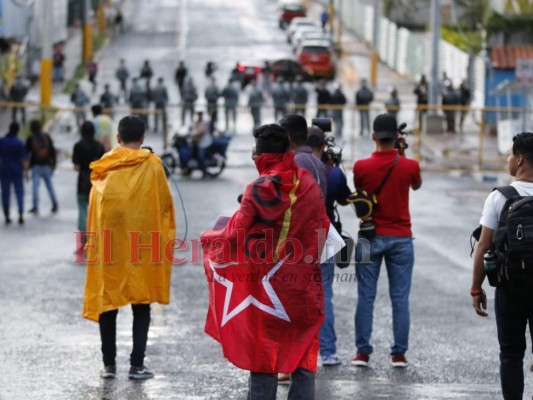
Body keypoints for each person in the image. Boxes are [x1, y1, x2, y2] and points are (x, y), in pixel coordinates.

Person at [201, 123, 330, 399]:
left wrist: (208, 238)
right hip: (304, 290)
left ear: (259, 157)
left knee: (264, 359)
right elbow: (322, 230)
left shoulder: (258, 188)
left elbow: (233, 234)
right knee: (304, 358)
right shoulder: (308, 183)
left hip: (266, 294)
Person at [82, 115, 175, 380]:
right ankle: (136, 365)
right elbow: (164, 206)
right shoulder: (154, 165)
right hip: (141, 246)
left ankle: (108, 365)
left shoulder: (105, 166)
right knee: (141, 303)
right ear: (142, 139)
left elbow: (94, 208)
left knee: (108, 301)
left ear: (118, 138)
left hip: (110, 246)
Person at [351, 114, 421, 368]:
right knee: (400, 298)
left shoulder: (360, 166)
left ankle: (362, 353)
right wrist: (400, 154)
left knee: (365, 296)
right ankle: (399, 354)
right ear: (397, 138)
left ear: (373, 137)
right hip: (401, 238)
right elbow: (417, 185)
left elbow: (360, 190)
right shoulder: (409, 165)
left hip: (370, 237)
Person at [471, 132, 533, 400]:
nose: (507, 159)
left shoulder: (500, 197)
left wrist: (476, 288)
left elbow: (484, 247)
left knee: (511, 354)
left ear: (519, 160)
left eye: (509, 154)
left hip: (511, 287)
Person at [307, 126, 352, 367]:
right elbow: (346, 200)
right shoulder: (332, 173)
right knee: (325, 295)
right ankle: (328, 351)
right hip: (325, 235)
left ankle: (302, 351)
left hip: (299, 240)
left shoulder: (299, 168)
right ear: (324, 147)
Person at [72, 121, 104, 256]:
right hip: (96, 183)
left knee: (82, 212)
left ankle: (83, 242)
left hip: (82, 183)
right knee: (96, 212)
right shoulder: (99, 146)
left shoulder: (78, 146)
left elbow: (76, 166)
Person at [25, 120, 59, 215]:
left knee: (35, 187)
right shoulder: (46, 137)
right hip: (47, 165)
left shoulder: (31, 138)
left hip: (36, 166)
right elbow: (52, 150)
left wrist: (26, 167)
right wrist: (54, 163)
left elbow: (26, 153)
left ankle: (35, 206)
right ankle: (54, 203)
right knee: (49, 186)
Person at [0, 122, 26, 225]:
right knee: (19, 192)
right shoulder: (19, 142)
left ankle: (7, 215)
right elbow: (23, 159)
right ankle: (20, 214)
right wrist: (26, 171)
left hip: (4, 169)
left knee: (5, 193)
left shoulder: (2, 141)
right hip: (17, 169)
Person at [191, 111, 211, 178]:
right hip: (198, 142)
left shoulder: (204, 123)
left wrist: (194, 136)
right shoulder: (196, 122)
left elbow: (201, 132)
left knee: (201, 156)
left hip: (204, 143)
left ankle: (204, 171)